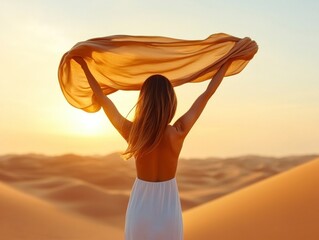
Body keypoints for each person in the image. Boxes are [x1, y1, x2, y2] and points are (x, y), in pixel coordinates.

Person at [74, 57, 232, 240]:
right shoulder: (178, 131)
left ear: (143, 100)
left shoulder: (134, 132)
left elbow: (102, 99)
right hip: (168, 211)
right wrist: (227, 62)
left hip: (141, 209)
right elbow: (206, 94)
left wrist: (84, 66)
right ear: (171, 100)